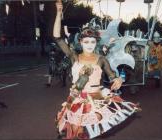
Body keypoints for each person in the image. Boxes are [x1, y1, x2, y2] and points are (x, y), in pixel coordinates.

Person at [53, 1, 141, 139]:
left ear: (96, 43)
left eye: (92, 42)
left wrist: (117, 79)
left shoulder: (101, 59)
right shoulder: (74, 57)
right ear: (81, 42)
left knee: (93, 133)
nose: (89, 45)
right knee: (76, 131)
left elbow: (112, 76)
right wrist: (58, 14)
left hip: (96, 101)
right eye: (86, 41)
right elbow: (58, 38)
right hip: (76, 99)